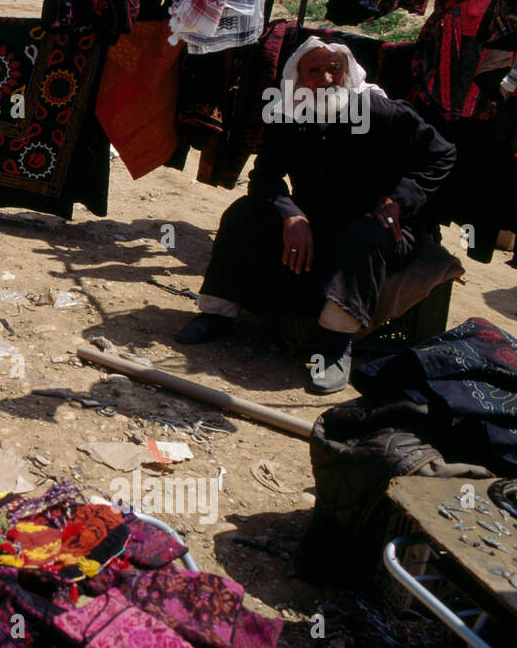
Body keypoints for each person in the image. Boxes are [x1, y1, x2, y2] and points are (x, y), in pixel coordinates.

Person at [174, 36, 457, 394]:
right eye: (315, 72)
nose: (325, 79)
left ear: (348, 72)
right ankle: (217, 313)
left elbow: (442, 154)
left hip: (380, 227)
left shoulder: (380, 111)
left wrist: (399, 199)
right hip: (314, 220)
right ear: (300, 79)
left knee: (363, 234)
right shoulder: (289, 116)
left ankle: (335, 346)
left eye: (334, 70)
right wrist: (291, 215)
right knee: (242, 214)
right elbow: (264, 176)